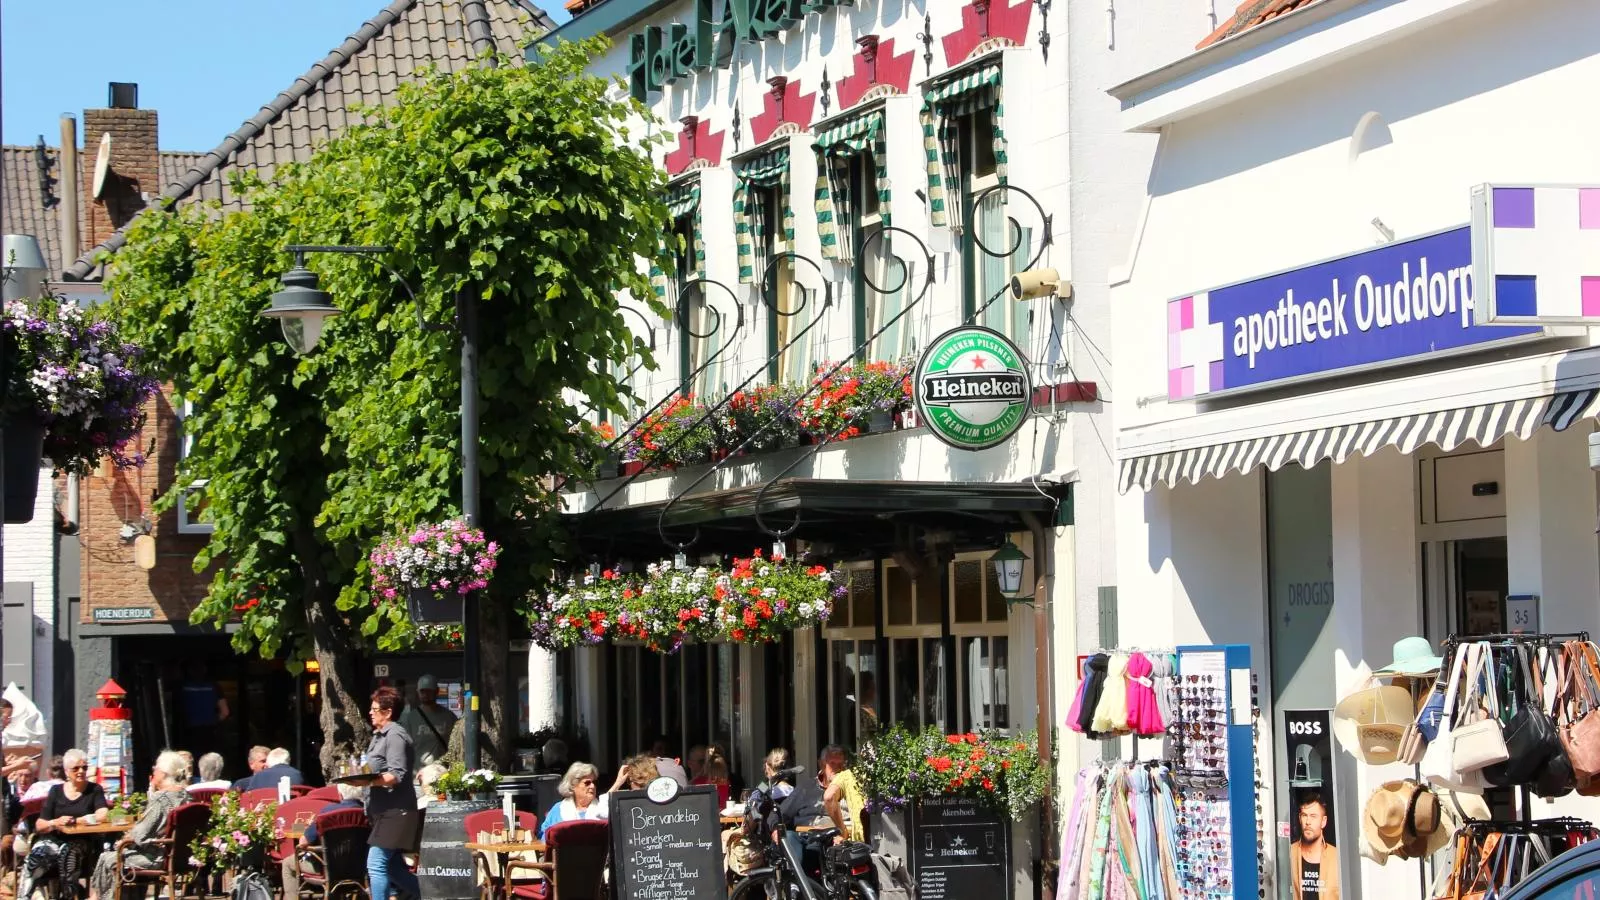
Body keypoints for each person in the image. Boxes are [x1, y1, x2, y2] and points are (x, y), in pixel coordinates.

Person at [88, 750, 189, 900]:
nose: (153, 770)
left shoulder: (161, 799)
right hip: (180, 857)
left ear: (164, 773)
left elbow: (140, 833)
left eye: (156, 768)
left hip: (156, 858)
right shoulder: (186, 797)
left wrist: (124, 840)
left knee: (106, 857)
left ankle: (98, 898)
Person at [21, 749, 109, 900]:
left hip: (80, 842)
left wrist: (76, 820)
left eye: (84, 767)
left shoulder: (94, 790)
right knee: (37, 857)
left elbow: (103, 815)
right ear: (67, 772)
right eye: (76, 768)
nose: (81, 771)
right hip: (54, 839)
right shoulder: (56, 791)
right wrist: (55, 822)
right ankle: (25, 896)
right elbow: (40, 824)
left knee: (68, 854)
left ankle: (67, 896)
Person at [364, 686, 421, 900]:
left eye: (374, 709)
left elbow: (397, 774)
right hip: (384, 811)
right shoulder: (378, 736)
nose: (370, 712)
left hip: (396, 811)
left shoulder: (395, 735)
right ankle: (429, 896)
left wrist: (369, 780)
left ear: (388, 712)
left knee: (376, 864)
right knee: (394, 868)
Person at [280, 783, 365, 897]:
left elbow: (303, 842)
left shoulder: (329, 811)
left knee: (287, 863)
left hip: (329, 868)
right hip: (361, 868)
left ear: (340, 795)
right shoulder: (367, 812)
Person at [398, 674, 458, 768]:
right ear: (417, 692)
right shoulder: (410, 718)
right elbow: (403, 747)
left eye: (429, 691)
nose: (426, 695)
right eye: (422, 691)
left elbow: (456, 746)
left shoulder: (449, 717)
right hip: (417, 773)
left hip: (441, 772)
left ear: (437, 691)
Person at [1289, 792, 1340, 900]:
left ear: (1323, 821)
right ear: (1299, 818)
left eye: (1313, 816)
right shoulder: (1290, 853)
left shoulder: (1336, 857)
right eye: (1304, 815)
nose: (1308, 822)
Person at [540, 763, 609, 837]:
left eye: (594, 782)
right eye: (587, 783)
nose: (592, 786)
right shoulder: (558, 809)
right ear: (573, 785)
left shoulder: (603, 809)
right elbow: (544, 835)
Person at [239, 748, 305, 792]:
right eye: (262, 761)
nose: (265, 765)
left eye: (266, 761)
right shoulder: (298, 774)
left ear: (269, 761)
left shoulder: (259, 776)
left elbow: (247, 797)